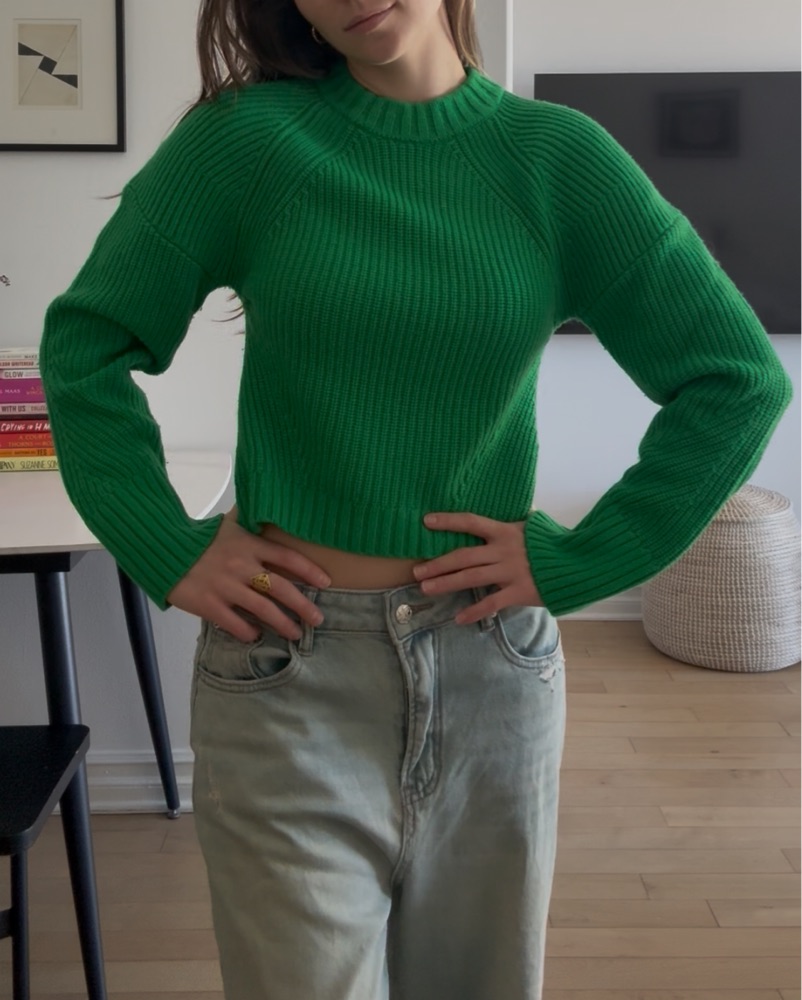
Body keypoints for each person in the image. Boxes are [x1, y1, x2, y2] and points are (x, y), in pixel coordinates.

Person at [39, 1, 792, 997]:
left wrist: (585, 559)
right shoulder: (246, 143)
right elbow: (87, 343)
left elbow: (737, 376)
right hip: (287, 672)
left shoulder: (557, 159)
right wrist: (167, 547)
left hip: (492, 670)